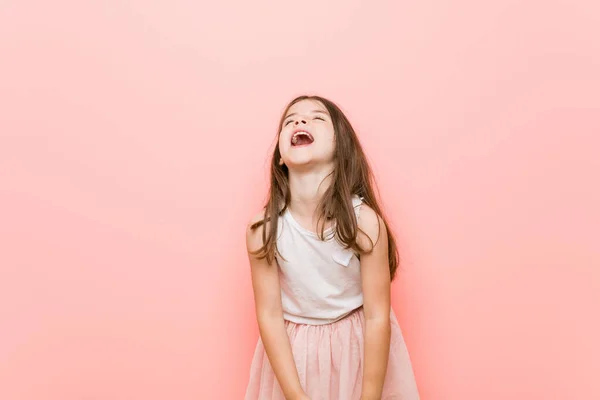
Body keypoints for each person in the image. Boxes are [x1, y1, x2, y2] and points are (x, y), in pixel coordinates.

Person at [244, 95, 420, 400]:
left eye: (316, 118)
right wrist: (295, 395)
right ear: (281, 158)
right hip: (295, 358)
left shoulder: (365, 224)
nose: (300, 121)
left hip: (359, 351)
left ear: (341, 149)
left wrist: (369, 396)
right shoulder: (264, 230)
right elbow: (270, 316)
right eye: (290, 120)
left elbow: (378, 315)